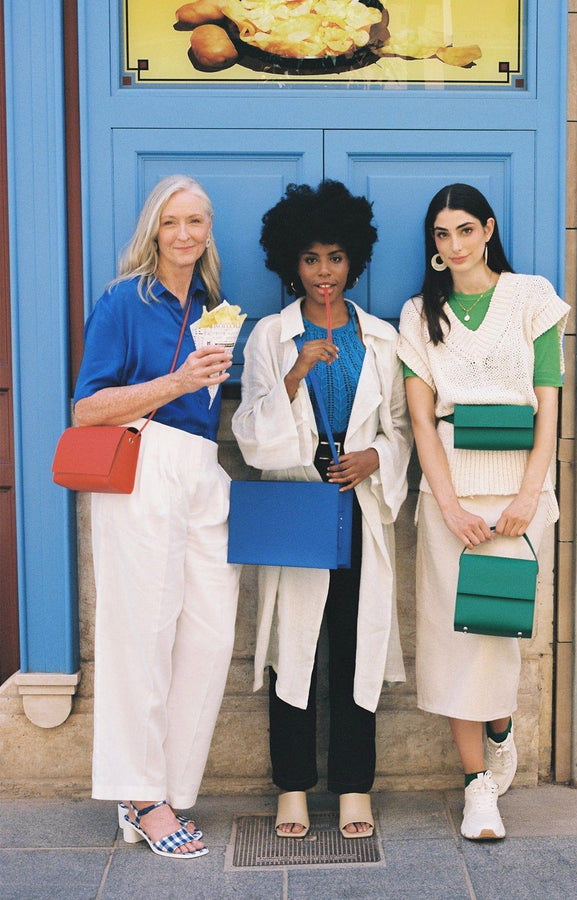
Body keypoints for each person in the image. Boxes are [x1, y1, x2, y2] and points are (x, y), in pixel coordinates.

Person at [232, 180, 411, 839]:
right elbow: (251, 437)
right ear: (292, 264)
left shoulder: (382, 339)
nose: (324, 272)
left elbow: (402, 430)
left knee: (355, 645)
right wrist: (295, 373)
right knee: (294, 647)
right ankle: (292, 789)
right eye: (310, 259)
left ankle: (355, 786)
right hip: (297, 505)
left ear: (353, 260)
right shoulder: (271, 337)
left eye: (335, 257)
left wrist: (374, 459)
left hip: (357, 504)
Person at [73, 174, 241, 859]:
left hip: (201, 467)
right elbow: (86, 408)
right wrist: (179, 381)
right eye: (171, 221)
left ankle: (166, 787)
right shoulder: (123, 300)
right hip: (141, 464)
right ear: (153, 229)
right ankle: (142, 796)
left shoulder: (214, 308)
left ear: (208, 230)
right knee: (140, 633)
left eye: (195, 221)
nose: (183, 233)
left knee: (210, 635)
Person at [397, 183, 569, 841]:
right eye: (442, 235)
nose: (455, 245)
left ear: (488, 230)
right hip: (451, 492)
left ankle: (500, 727)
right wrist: (448, 505)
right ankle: (476, 787)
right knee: (455, 640)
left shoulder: (531, 297)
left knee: (497, 632)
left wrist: (529, 493)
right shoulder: (420, 313)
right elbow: (420, 418)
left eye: (465, 230)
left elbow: (548, 403)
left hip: (520, 492)